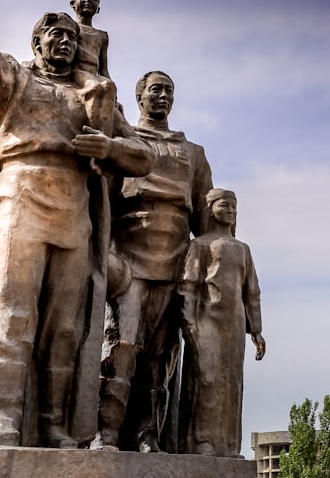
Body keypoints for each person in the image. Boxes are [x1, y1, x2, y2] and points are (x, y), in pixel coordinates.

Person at [0, 0, 154, 450]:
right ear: (36, 45)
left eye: (68, 37)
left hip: (74, 209)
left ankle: (56, 426)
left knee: (64, 329)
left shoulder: (91, 94)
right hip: (18, 198)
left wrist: (108, 147)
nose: (62, 42)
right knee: (10, 315)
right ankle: (3, 424)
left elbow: (142, 157)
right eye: (51, 36)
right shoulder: (12, 80)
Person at [93, 71, 213, 453]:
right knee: (120, 346)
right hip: (128, 258)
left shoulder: (192, 153)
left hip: (175, 260)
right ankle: (106, 433)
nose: (163, 97)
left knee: (161, 358)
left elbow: (208, 219)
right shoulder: (125, 141)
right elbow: (101, 198)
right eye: (156, 89)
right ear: (140, 95)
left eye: (169, 91)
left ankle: (148, 435)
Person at [176, 188, 265, 457]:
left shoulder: (243, 250)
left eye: (234, 207)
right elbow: (188, 286)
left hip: (235, 323)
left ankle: (228, 445)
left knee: (231, 383)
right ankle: (202, 441)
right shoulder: (200, 245)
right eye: (225, 205)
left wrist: (257, 330)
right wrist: (189, 321)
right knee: (206, 378)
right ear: (211, 208)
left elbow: (252, 292)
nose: (230, 211)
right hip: (206, 320)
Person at [69, 0, 110, 78]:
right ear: (73, 4)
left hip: (93, 77)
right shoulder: (69, 27)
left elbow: (103, 69)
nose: (88, 0)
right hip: (73, 75)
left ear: (98, 9)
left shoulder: (102, 36)